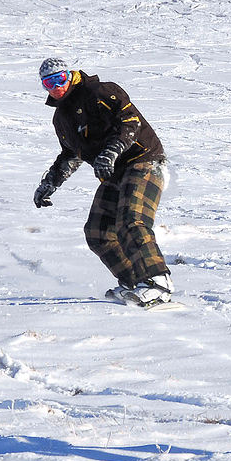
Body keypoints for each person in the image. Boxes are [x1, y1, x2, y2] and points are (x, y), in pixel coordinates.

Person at [33, 57, 173, 307]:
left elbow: (130, 121)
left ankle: (157, 283)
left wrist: (112, 150)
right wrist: (50, 183)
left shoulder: (100, 91)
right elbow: (70, 154)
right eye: (48, 83)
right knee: (97, 233)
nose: (56, 87)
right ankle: (134, 282)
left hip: (143, 160)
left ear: (70, 75)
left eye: (60, 79)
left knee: (132, 219)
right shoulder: (61, 118)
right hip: (114, 172)